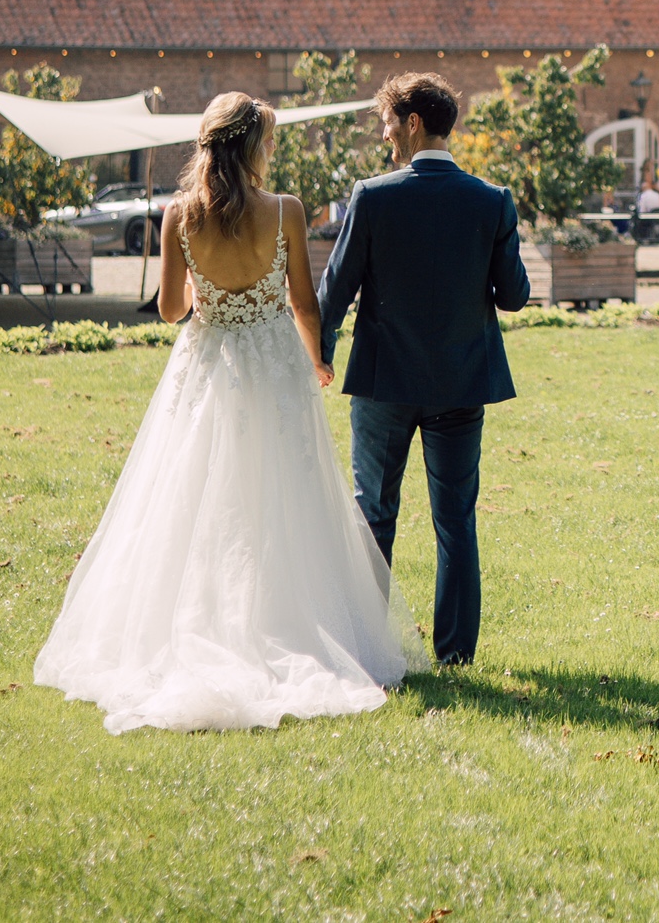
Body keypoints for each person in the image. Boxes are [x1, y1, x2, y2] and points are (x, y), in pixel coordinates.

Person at [35, 93, 417, 733]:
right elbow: (303, 301)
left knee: (195, 494)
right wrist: (316, 358)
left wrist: (213, 298)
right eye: (266, 140)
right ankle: (290, 623)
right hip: (273, 362)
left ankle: (197, 621)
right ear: (251, 146)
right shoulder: (287, 211)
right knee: (285, 495)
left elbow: (169, 308)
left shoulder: (179, 214)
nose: (270, 151)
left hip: (209, 362)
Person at [316, 72, 528, 666]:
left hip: (384, 382)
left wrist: (321, 352)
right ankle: (456, 656)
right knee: (455, 520)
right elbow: (513, 296)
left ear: (413, 123)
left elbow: (337, 287)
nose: (385, 136)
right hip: (461, 382)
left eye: (388, 124)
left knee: (374, 512)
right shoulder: (493, 201)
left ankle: (364, 647)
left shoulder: (373, 196)